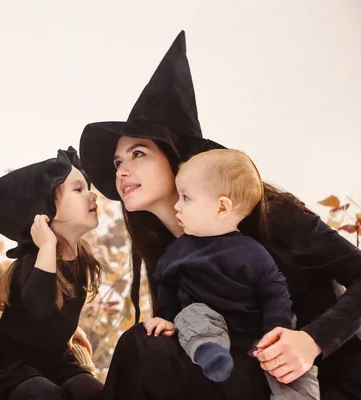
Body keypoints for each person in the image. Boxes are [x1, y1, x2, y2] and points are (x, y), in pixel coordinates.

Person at [79, 31, 361, 399]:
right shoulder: (168, 250)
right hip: (237, 372)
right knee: (144, 341)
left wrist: (311, 341)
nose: (121, 171)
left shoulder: (268, 215)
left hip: (317, 381)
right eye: (117, 162)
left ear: (175, 155)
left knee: (145, 349)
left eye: (138, 154)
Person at [147, 148, 318, 399]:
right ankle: (211, 354)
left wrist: (275, 332)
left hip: (256, 334)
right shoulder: (178, 251)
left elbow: (274, 292)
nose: (177, 205)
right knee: (192, 315)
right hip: (211, 327)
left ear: (222, 207)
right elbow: (166, 285)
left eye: (186, 198)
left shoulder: (251, 251)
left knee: (295, 370)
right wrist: (165, 317)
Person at [0, 147, 104, 400]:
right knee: (46, 396)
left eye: (87, 187)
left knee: (97, 394)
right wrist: (48, 246)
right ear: (46, 211)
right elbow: (39, 306)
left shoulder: (81, 261)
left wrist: (67, 327)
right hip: (7, 366)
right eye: (78, 189)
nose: (91, 195)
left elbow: (55, 309)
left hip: (53, 359)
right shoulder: (32, 262)